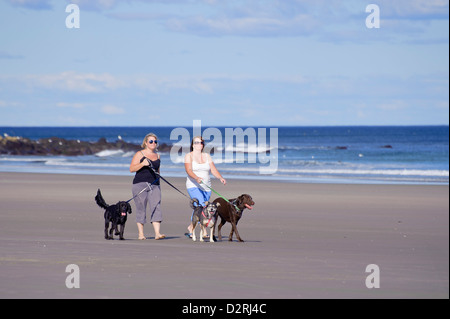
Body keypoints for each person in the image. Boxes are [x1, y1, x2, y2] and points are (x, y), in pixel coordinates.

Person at [184, 136, 226, 238]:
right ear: (193, 145)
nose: (200, 144)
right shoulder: (188, 156)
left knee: (199, 208)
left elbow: (213, 169)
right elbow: (188, 170)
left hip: (207, 187)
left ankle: (191, 227)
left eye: (201, 142)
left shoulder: (207, 156)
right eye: (197, 142)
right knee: (203, 206)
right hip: (193, 185)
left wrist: (220, 177)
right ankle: (204, 232)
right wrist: (196, 177)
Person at [129, 133, 165, 240]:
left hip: (154, 185)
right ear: (146, 143)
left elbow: (158, 171)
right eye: (151, 141)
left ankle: (157, 233)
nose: (153, 143)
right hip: (140, 184)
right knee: (141, 208)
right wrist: (142, 164)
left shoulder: (158, 156)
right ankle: (141, 234)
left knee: (156, 207)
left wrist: (159, 183)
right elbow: (131, 169)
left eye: (155, 141)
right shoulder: (140, 154)